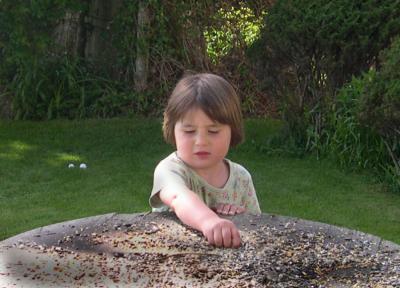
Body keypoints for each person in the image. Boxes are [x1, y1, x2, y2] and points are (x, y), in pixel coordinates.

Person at [149, 72, 261, 248]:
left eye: (213, 131)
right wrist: (210, 221)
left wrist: (240, 217)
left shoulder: (241, 178)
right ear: (173, 130)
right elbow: (179, 197)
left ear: (233, 131)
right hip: (173, 260)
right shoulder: (169, 170)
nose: (201, 141)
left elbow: (259, 228)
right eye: (189, 131)